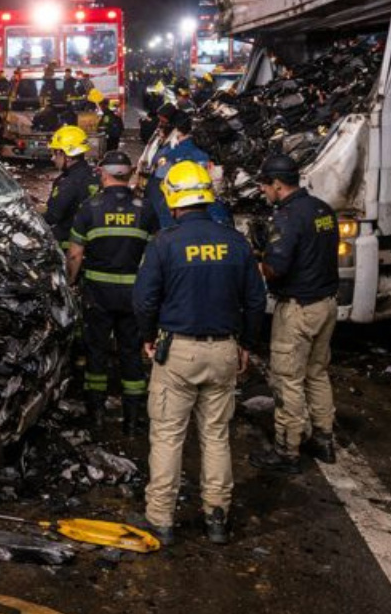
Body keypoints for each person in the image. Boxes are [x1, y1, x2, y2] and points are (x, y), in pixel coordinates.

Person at [133, 160, 267, 546]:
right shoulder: (236, 242)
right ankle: (217, 517)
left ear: (174, 199)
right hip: (224, 350)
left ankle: (161, 519)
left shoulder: (164, 243)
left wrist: (147, 337)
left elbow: (144, 300)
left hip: (178, 352)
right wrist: (246, 345)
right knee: (216, 436)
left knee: (168, 436)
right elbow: (255, 301)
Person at [248, 154, 340, 474]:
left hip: (298, 309)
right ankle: (324, 439)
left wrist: (257, 256)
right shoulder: (322, 210)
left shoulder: (287, 218)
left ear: (277, 183)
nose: (263, 191)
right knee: (316, 372)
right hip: (327, 304)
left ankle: (287, 450)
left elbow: (275, 269)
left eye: (264, 185)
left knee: (287, 378)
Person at [65, 151, 154, 432]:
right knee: (130, 352)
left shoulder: (90, 208)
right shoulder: (146, 208)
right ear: (128, 174)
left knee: (96, 352)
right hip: (133, 295)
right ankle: (132, 419)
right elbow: (153, 256)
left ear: (104, 174)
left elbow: (75, 255)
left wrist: (70, 283)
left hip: (98, 294)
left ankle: (96, 416)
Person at [141, 107, 231, 228]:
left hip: (176, 216)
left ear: (175, 130)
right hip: (208, 214)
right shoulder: (206, 152)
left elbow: (156, 190)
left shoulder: (168, 154)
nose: (160, 126)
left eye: (163, 123)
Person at [44, 125, 99, 249]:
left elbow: (52, 217)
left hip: (70, 246)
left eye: (55, 153)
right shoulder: (97, 175)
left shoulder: (67, 182)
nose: (53, 158)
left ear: (67, 155)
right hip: (96, 244)